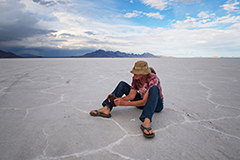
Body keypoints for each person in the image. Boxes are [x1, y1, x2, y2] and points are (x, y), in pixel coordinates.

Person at [90, 60, 164, 138]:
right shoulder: (136, 78)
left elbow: (144, 102)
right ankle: (107, 108)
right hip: (141, 103)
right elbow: (131, 96)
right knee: (122, 84)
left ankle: (146, 121)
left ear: (144, 73)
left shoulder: (153, 78)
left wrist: (125, 103)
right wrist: (118, 100)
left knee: (154, 88)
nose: (134, 74)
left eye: (137, 72)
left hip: (156, 105)